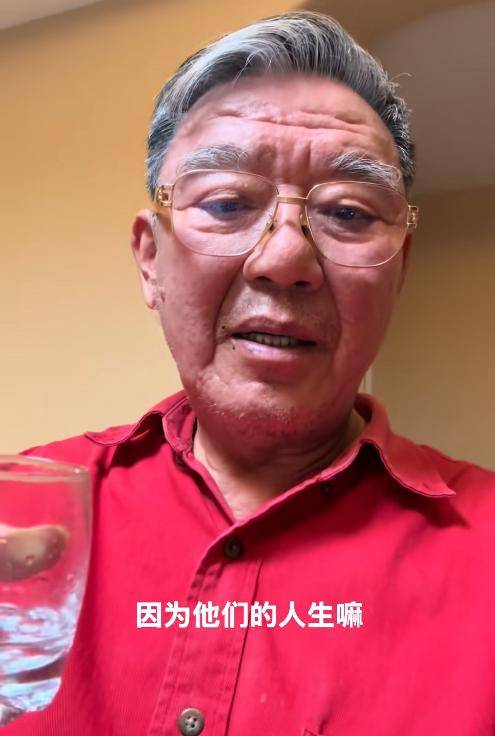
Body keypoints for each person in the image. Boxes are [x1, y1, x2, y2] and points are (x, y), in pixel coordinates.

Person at [7, 10, 495, 736]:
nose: (285, 259)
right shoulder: (22, 524)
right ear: (150, 259)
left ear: (400, 269)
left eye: (349, 213)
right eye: (228, 203)